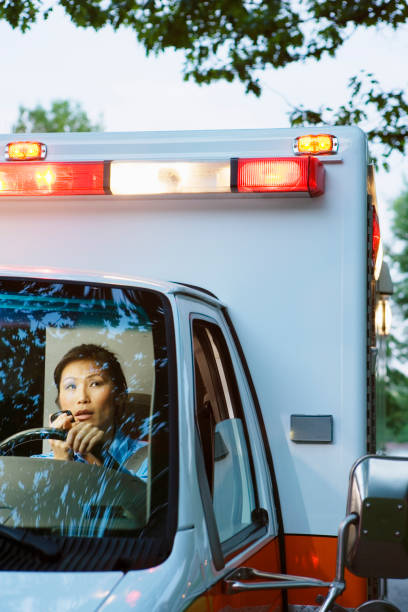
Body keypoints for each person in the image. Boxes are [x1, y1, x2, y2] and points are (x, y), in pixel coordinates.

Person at [35, 343, 148, 480]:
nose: (82, 398)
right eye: (71, 386)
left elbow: (139, 500)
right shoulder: (35, 467)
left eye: (95, 384)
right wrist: (61, 462)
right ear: (59, 401)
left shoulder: (152, 458)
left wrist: (101, 456)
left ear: (119, 395)